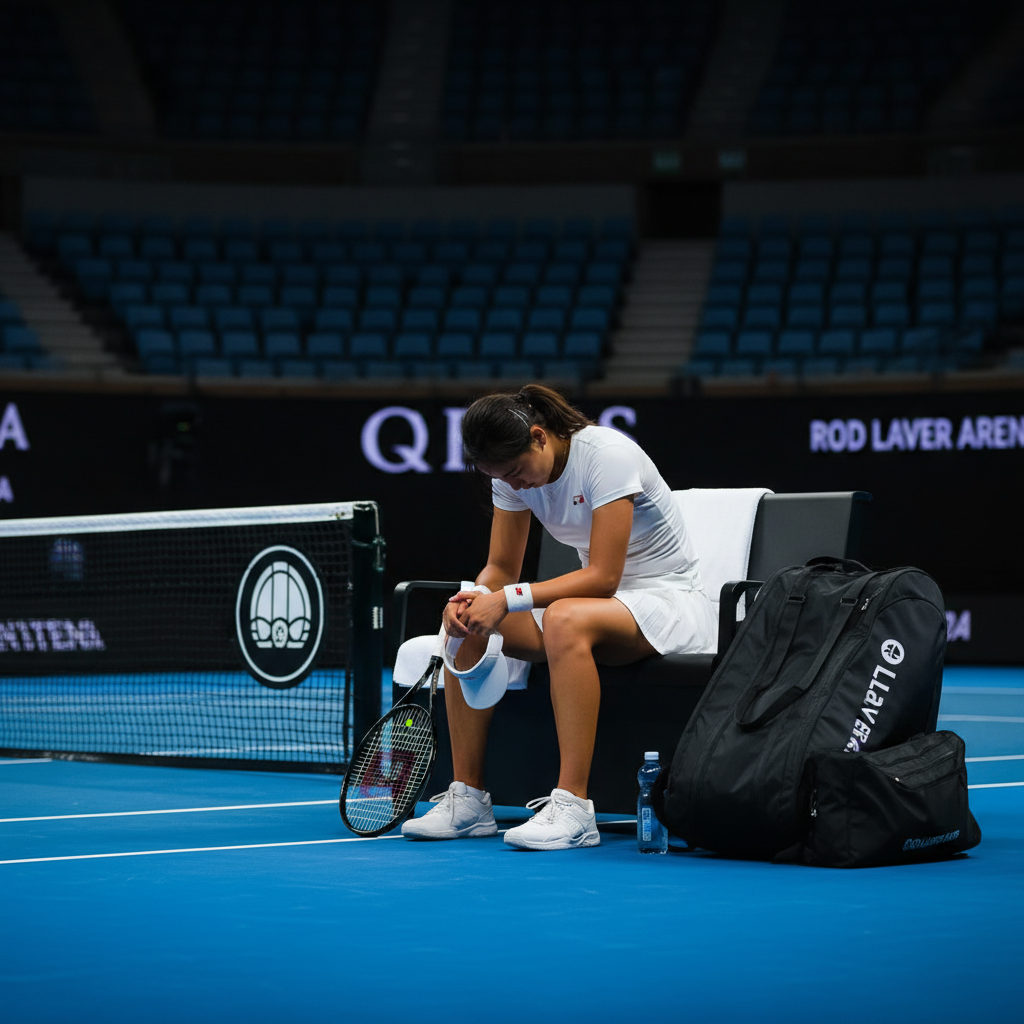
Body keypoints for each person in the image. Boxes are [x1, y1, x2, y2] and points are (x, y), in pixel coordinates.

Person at [401, 384, 716, 850]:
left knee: (565, 618)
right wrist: (477, 597)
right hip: (602, 610)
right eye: (501, 478)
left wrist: (506, 598)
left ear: (539, 437)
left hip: (667, 602)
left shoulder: (607, 455)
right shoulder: (510, 475)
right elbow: (501, 568)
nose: (514, 484)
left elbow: (604, 577)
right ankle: (468, 799)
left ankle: (573, 806)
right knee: (469, 618)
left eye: (516, 472)